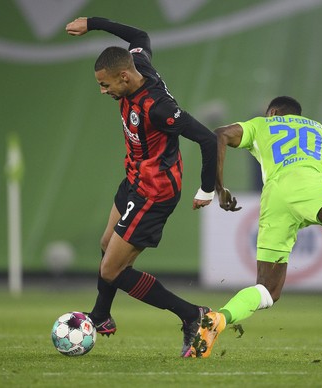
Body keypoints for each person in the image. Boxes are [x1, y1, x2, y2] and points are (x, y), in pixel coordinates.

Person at [190, 96, 322, 358]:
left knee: (268, 289)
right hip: (309, 182)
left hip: (274, 196)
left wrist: (217, 188)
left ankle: (219, 319)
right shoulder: (321, 130)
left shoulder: (262, 125)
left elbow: (219, 135)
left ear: (273, 112)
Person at [65, 17, 217, 357]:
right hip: (134, 178)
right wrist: (92, 23)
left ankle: (195, 316)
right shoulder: (139, 62)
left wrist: (207, 189)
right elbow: (140, 34)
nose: (103, 91)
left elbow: (207, 139)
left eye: (105, 85)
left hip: (154, 190)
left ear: (123, 76)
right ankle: (101, 315)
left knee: (112, 269)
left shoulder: (159, 108)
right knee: (107, 245)